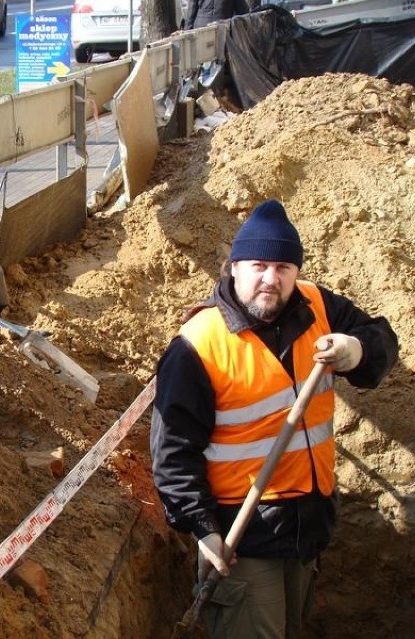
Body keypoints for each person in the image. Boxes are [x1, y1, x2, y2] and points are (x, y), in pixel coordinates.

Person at [149, 199, 398, 638]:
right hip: (241, 538)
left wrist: (356, 350)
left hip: (307, 527)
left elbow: (380, 336)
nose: (271, 279)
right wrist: (203, 531)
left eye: (284, 267)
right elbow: (173, 455)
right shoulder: (198, 346)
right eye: (259, 265)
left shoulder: (317, 307)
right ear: (234, 267)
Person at [187, 0, 252, 29]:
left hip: (200, 27)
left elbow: (191, 9)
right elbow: (243, 10)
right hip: (222, 29)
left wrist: (187, 28)